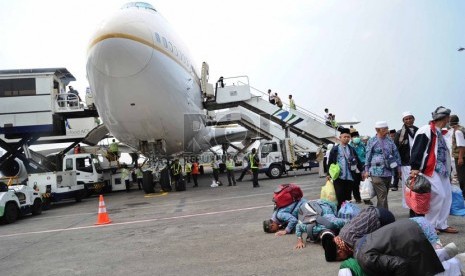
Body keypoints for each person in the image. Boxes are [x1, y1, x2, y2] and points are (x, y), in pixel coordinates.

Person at [353, 218, 464, 276]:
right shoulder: (357, 251)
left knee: (425, 270)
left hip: (411, 237)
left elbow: (400, 264)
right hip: (408, 228)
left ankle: (459, 261)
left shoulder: (367, 261)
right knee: (424, 261)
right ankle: (449, 251)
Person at [410, 106, 458, 233]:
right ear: (446, 118)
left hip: (442, 169)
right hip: (430, 168)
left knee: (447, 196)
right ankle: (430, 225)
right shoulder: (425, 130)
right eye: (448, 117)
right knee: (439, 195)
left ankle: (442, 224)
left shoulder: (441, 132)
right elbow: (417, 148)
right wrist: (414, 167)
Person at [321, 206, 395, 262]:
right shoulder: (342, 233)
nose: (342, 260)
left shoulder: (352, 242)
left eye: (340, 258)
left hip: (385, 219)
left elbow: (368, 250)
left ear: (340, 252)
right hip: (377, 210)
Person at [363, 121, 401, 210]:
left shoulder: (390, 140)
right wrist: (366, 170)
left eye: (387, 128)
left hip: (388, 171)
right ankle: (385, 216)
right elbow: (368, 155)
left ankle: (379, 214)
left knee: (383, 195)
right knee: (382, 193)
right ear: (377, 130)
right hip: (375, 171)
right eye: (385, 129)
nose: (387, 131)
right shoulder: (372, 141)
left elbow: (396, 154)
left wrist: (399, 168)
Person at [328, 128, 364, 209]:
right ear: (340, 137)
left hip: (350, 177)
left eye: (348, 137)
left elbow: (357, 160)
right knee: (340, 197)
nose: (346, 138)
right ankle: (340, 214)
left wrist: (362, 171)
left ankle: (346, 214)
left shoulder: (351, 149)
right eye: (344, 137)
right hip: (339, 177)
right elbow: (330, 162)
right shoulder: (335, 149)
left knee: (348, 198)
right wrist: (328, 174)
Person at [394, 111, 419, 213]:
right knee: (408, 187)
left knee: (419, 186)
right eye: (406, 119)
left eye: (410, 118)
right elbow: (396, 150)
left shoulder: (419, 131)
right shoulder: (400, 133)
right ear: (403, 121)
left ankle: (419, 207)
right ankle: (411, 208)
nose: (408, 120)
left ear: (413, 119)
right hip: (406, 164)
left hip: (418, 164)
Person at [450, 114, 465, 199]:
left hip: (460, 157)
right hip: (462, 156)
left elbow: (461, 146)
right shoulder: (461, 128)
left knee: (462, 178)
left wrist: (460, 158)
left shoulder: (457, 131)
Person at [349, 131, 366, 204]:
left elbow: (367, 154)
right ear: (351, 138)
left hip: (363, 165)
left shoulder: (362, 145)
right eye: (354, 137)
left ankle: (366, 197)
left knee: (365, 183)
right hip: (354, 167)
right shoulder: (349, 147)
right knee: (355, 183)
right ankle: (357, 198)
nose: (356, 138)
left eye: (357, 136)